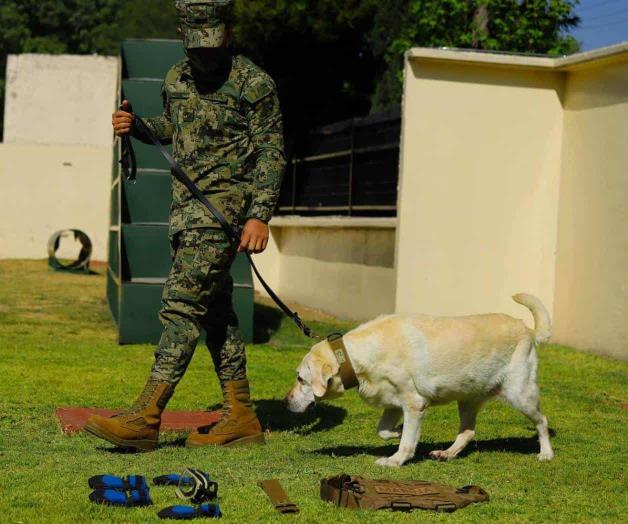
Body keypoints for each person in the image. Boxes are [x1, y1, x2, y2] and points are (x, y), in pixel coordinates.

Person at [85, 0, 286, 451]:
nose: (205, 56)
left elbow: (272, 151)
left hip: (222, 215)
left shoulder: (254, 84)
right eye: (197, 46)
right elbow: (176, 128)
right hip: (185, 214)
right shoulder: (176, 79)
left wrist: (260, 214)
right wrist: (137, 125)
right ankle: (240, 414)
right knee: (217, 316)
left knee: (180, 308)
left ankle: (145, 416)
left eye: (213, 45)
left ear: (228, 32)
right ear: (182, 33)